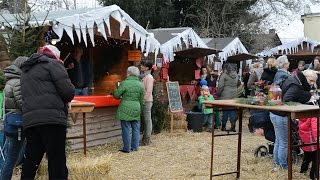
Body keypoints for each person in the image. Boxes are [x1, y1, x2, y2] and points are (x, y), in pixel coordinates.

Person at [20, 45, 75, 179]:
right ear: (55, 55)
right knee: (56, 160)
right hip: (52, 119)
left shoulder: (27, 69)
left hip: (31, 120)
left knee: (31, 159)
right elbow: (68, 92)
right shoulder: (53, 64)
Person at [0, 57, 28, 180]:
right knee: (11, 157)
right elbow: (23, 103)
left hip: (11, 123)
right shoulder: (18, 82)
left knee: (9, 156)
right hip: (18, 125)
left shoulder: (10, 81)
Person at [114, 66, 144, 153]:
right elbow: (142, 100)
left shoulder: (124, 83)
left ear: (129, 73)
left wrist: (115, 88)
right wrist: (139, 108)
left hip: (125, 107)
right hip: (136, 107)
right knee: (136, 128)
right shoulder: (140, 84)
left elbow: (116, 95)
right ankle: (135, 147)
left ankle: (126, 148)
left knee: (126, 128)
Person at [269, 55, 291, 171]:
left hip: (274, 111)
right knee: (283, 141)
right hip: (280, 112)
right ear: (285, 64)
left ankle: (277, 164)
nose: (289, 63)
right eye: (287, 62)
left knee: (278, 140)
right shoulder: (284, 76)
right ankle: (283, 166)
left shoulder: (277, 74)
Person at [217, 63, 240, 132]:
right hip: (234, 96)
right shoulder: (236, 75)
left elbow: (220, 86)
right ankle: (233, 126)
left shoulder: (224, 75)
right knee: (232, 111)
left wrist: (218, 94)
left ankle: (223, 126)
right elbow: (239, 84)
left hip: (225, 96)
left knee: (225, 112)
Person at [139, 60, 154, 146]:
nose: (141, 66)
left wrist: (143, 100)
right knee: (146, 120)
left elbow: (148, 91)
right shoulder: (145, 76)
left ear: (147, 67)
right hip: (145, 100)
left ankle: (146, 139)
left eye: (142, 65)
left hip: (147, 101)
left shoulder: (149, 77)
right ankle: (145, 138)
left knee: (147, 120)